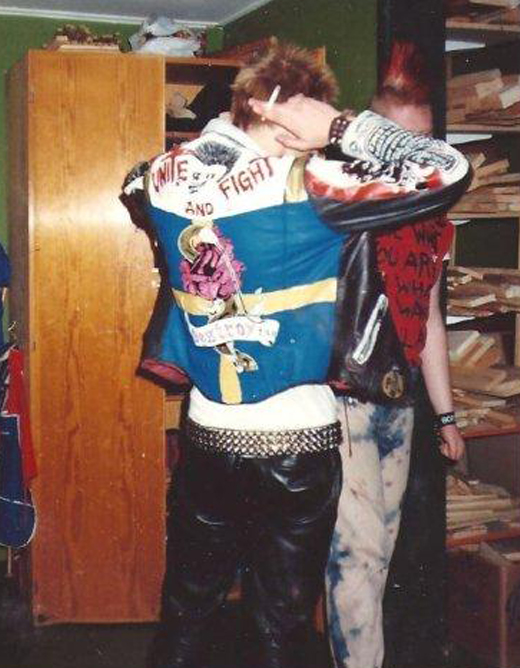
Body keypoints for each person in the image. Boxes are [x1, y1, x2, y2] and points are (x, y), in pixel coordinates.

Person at [124, 42, 469, 668]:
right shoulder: (311, 185)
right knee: (280, 624)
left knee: (187, 610)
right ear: (288, 113)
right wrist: (340, 128)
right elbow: (448, 169)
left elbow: (136, 187)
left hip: (208, 430)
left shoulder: (162, 173)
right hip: (297, 439)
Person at [318, 41, 465, 668]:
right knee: (358, 554)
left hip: (399, 400)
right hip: (344, 397)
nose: (416, 158)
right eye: (402, 142)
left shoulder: (434, 222)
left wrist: (447, 416)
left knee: (379, 551)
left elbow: (428, 317)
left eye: (424, 142)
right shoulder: (344, 209)